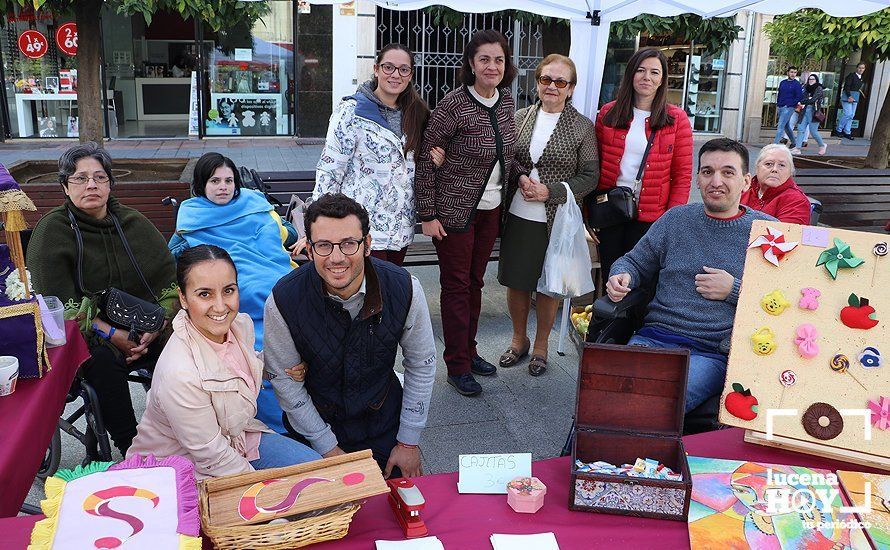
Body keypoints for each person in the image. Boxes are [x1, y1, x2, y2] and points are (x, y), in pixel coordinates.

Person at [264, 194, 436, 478]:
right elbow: (284, 381)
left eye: (348, 243)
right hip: (313, 430)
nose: (336, 257)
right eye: (323, 245)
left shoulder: (404, 288)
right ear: (308, 248)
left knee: (398, 513)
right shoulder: (284, 299)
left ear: (367, 245)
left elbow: (422, 364)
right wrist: (328, 449)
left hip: (383, 424)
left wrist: (409, 440)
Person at [27, 143, 179, 456]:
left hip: (143, 322)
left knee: (186, 338)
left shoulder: (132, 222)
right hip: (89, 333)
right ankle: (133, 447)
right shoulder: (52, 232)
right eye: (81, 178)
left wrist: (160, 322)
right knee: (101, 362)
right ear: (65, 187)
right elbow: (58, 307)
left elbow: (169, 282)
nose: (92, 185)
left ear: (110, 184)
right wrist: (114, 335)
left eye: (99, 177)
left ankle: (187, 428)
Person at [605, 138, 776, 412]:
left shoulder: (767, 232)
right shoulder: (676, 220)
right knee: (602, 392)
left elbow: (787, 299)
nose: (716, 181)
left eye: (728, 172)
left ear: (746, 181)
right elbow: (633, 262)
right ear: (698, 178)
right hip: (653, 338)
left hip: (709, 352)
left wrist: (734, 290)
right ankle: (579, 457)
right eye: (707, 171)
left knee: (654, 402)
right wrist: (621, 275)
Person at [128, 245, 321, 479]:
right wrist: (267, 493)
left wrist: (280, 369)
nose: (221, 306)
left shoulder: (238, 326)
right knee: (288, 502)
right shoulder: (180, 373)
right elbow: (213, 458)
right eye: (204, 294)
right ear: (183, 297)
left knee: (316, 473)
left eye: (228, 290)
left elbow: (237, 367)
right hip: (181, 469)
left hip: (236, 440)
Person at [415, 29, 526, 397]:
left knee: (476, 284)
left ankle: (470, 350)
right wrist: (428, 214)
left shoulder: (507, 102)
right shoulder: (453, 105)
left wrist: (522, 175)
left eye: (498, 59)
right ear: (470, 64)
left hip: (491, 210)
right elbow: (425, 159)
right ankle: (457, 365)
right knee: (456, 287)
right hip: (454, 213)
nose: (492, 66)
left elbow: (508, 152)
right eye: (484, 59)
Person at [168, 152, 301, 434]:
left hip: (274, 279)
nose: (223, 187)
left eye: (229, 180)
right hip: (232, 295)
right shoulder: (193, 216)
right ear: (201, 184)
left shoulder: (254, 204)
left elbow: (284, 233)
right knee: (255, 349)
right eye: (215, 180)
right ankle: (272, 423)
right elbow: (173, 254)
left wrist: (297, 236)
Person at [498, 54, 598, 377]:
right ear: (538, 82)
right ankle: (518, 340)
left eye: (560, 82)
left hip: (557, 218)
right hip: (519, 211)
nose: (552, 87)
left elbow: (590, 176)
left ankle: (541, 346)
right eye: (546, 80)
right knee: (516, 280)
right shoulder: (520, 117)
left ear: (570, 89)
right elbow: (508, 157)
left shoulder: (582, 126)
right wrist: (522, 177)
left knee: (549, 282)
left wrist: (550, 191)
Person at [315, 43, 433, 266]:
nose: (395, 75)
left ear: (410, 75)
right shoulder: (352, 112)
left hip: (400, 228)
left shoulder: (418, 114)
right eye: (388, 67)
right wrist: (320, 223)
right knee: (368, 293)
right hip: (361, 227)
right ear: (376, 69)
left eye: (403, 69)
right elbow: (330, 170)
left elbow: (423, 162)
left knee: (391, 289)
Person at [594, 47, 693, 286]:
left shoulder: (676, 119)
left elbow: (682, 175)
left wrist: (672, 219)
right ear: (630, 74)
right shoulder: (609, 113)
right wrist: (589, 213)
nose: (646, 77)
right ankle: (612, 323)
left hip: (652, 215)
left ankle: (637, 324)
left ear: (662, 80)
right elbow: (595, 163)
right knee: (611, 277)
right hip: (612, 211)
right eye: (640, 70)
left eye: (654, 72)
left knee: (642, 282)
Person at [741, 144, 811, 225]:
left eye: (781, 165)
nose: (775, 169)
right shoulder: (742, 190)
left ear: (790, 172)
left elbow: (785, 235)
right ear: (757, 167)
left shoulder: (798, 202)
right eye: (768, 164)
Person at [792, 74, 827, 156]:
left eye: (813, 79)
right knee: (800, 129)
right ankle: (797, 148)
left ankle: (822, 145)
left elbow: (814, 100)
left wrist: (805, 101)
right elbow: (801, 98)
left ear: (816, 80)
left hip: (814, 112)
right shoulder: (806, 88)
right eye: (810, 79)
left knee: (813, 132)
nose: (811, 80)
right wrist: (807, 100)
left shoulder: (819, 88)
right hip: (804, 111)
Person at [834, 62, 866, 141]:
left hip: (855, 97)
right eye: (860, 67)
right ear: (856, 68)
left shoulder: (861, 77)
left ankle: (847, 132)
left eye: (863, 68)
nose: (861, 69)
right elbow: (846, 86)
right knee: (848, 114)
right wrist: (849, 96)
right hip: (848, 97)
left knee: (851, 115)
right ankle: (838, 129)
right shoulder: (851, 75)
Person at [773, 66, 803, 145]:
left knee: (780, 126)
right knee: (786, 126)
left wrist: (790, 104)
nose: (793, 74)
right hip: (781, 106)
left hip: (789, 107)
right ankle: (794, 142)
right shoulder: (783, 82)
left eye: (795, 72)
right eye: (791, 72)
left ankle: (774, 145)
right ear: (788, 73)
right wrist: (778, 104)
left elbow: (799, 97)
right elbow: (780, 94)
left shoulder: (797, 84)